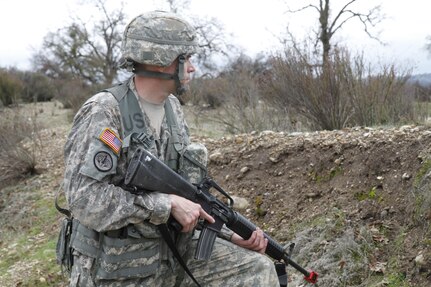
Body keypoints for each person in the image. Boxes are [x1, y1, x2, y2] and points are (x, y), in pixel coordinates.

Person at [62, 10, 279, 286]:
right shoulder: (104, 112)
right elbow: (83, 199)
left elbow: (186, 197)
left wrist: (227, 233)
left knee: (256, 269)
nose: (192, 67)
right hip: (115, 268)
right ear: (162, 60)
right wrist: (164, 205)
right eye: (185, 58)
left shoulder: (173, 109)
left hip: (171, 254)